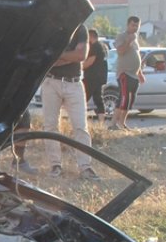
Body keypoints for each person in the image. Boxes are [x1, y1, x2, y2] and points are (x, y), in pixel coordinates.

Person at [41, 23, 98, 179]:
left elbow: (81, 55)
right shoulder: (50, 28)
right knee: (50, 125)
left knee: (80, 126)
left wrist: (58, 56)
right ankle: (55, 165)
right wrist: (68, 56)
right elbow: (44, 56)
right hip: (51, 82)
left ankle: (85, 166)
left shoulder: (80, 28)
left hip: (74, 83)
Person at [112, 16, 144, 130]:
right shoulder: (122, 36)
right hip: (124, 74)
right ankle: (113, 124)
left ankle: (122, 123)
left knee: (130, 100)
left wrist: (140, 73)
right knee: (123, 99)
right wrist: (128, 41)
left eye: (137, 26)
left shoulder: (135, 39)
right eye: (133, 25)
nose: (135, 28)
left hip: (134, 75)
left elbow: (136, 56)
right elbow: (120, 51)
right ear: (128, 25)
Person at [83, 28, 109, 123]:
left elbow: (90, 61)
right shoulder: (103, 46)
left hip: (92, 77)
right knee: (98, 99)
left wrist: (78, 67)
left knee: (82, 98)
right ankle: (101, 122)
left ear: (90, 36)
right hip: (100, 77)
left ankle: (81, 120)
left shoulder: (94, 47)